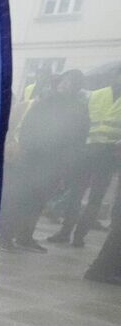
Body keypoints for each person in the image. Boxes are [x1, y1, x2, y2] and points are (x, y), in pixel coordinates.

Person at [0, 70, 89, 253]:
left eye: (72, 82)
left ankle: (25, 236)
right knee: (19, 198)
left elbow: (79, 138)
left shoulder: (79, 109)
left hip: (54, 163)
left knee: (38, 201)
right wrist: (26, 152)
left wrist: (68, 163)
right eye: (64, 81)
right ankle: (5, 235)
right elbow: (28, 130)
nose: (66, 85)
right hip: (31, 159)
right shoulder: (45, 102)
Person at [48, 65, 121, 250]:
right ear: (114, 76)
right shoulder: (96, 95)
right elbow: (82, 122)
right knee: (76, 194)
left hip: (109, 155)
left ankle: (80, 235)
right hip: (86, 151)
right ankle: (65, 232)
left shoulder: (96, 94)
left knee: (95, 198)